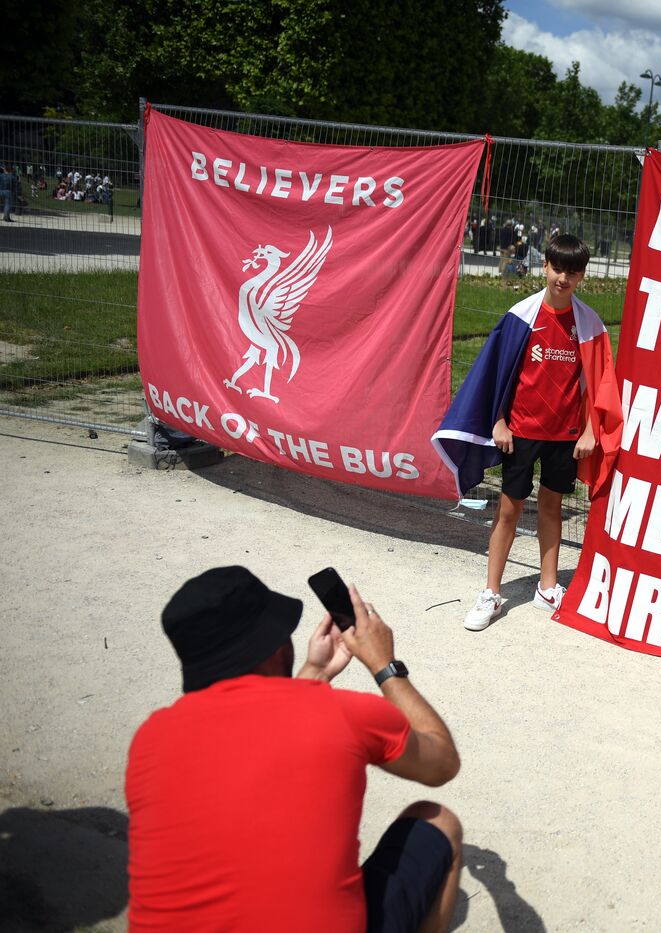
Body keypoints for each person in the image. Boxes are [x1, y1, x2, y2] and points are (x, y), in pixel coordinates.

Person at [126, 566, 463, 932]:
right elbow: (442, 762)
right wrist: (384, 665)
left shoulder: (151, 738)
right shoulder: (341, 715)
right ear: (275, 645)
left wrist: (315, 672)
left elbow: (260, 738)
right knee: (437, 821)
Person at [433, 234, 623, 631]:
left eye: (572, 272)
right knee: (508, 511)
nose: (563, 279)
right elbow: (496, 376)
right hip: (521, 432)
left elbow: (601, 383)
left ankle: (548, 587)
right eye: (557, 269)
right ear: (544, 267)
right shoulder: (521, 317)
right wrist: (498, 421)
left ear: (582, 276)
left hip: (567, 436)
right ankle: (491, 592)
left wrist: (590, 431)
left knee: (551, 508)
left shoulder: (589, 325)